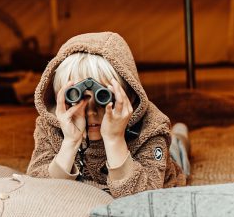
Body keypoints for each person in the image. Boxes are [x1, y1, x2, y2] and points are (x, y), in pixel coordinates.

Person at [27, 32, 190, 198]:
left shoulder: (152, 127)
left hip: (165, 163)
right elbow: (38, 189)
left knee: (176, 148)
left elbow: (143, 200)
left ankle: (179, 136)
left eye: (103, 97)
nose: (91, 111)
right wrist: (70, 141)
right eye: (77, 98)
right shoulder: (52, 124)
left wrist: (114, 139)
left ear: (130, 95)